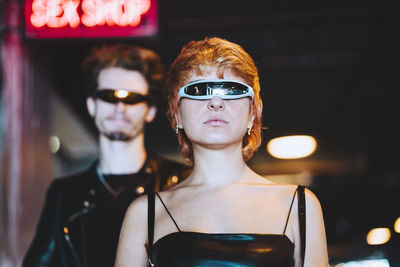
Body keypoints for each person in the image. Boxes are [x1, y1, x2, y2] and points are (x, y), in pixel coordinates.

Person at [114, 37, 329, 267]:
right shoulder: (145, 214)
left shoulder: (300, 206)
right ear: (177, 114)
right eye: (198, 90)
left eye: (232, 90)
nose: (216, 102)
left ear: (252, 114)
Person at [22, 44, 191, 267]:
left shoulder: (181, 182)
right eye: (108, 96)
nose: (120, 106)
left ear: (149, 110)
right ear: (92, 105)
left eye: (131, 98)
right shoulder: (64, 194)